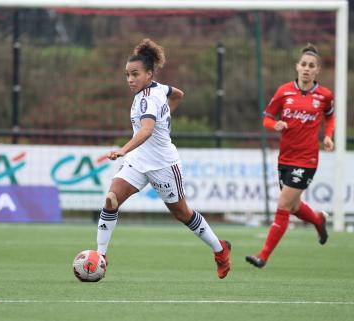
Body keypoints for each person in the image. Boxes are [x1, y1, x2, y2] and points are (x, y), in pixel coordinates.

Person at [96, 39, 231, 279]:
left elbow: (146, 131)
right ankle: (100, 257)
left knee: (182, 214)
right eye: (127, 75)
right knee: (111, 199)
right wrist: (166, 113)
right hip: (139, 162)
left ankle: (220, 250)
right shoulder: (158, 88)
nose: (130, 79)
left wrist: (123, 149)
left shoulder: (149, 98)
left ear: (149, 74)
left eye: (135, 74)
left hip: (163, 164)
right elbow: (178, 94)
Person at [246, 43, 333, 268]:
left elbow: (330, 117)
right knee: (294, 207)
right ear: (297, 67)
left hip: (307, 159)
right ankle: (318, 221)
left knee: (283, 205)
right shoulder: (284, 91)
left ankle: (263, 256)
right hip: (285, 158)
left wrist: (328, 136)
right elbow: (267, 118)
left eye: (311, 66)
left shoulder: (324, 96)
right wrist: (275, 124)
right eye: (303, 64)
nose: (306, 68)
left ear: (317, 70)